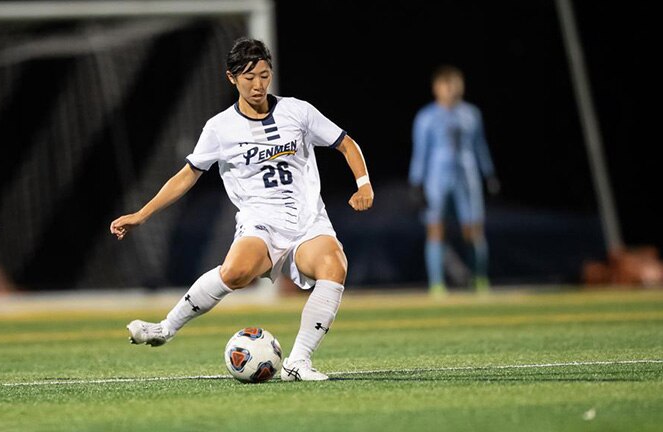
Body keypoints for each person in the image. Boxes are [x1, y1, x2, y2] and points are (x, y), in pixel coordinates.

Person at [109, 37, 374, 381]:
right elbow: (187, 175)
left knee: (334, 265)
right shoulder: (220, 128)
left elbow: (346, 144)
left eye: (264, 75)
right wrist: (141, 214)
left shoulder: (298, 111)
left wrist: (364, 183)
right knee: (235, 272)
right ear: (231, 78)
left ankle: (297, 363)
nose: (258, 84)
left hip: (307, 221)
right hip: (260, 222)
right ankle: (164, 328)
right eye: (249, 77)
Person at [407, 65, 499, 298]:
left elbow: (480, 146)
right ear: (436, 88)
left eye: (454, 84)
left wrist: (488, 173)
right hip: (436, 178)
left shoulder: (471, 114)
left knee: (473, 229)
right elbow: (420, 151)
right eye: (445, 85)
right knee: (436, 229)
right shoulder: (426, 117)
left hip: (467, 177)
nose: (450, 90)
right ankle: (437, 284)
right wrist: (416, 182)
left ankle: (480, 278)